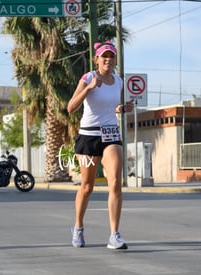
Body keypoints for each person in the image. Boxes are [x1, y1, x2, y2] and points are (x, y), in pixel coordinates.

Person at [67, 41, 134, 249]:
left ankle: (114, 235)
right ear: (96, 59)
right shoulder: (89, 77)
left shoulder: (119, 81)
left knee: (115, 181)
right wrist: (88, 88)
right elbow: (71, 107)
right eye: (104, 56)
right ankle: (78, 227)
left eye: (111, 56)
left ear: (115, 60)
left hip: (111, 135)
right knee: (87, 187)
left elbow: (110, 107)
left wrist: (122, 109)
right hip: (88, 137)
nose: (108, 60)